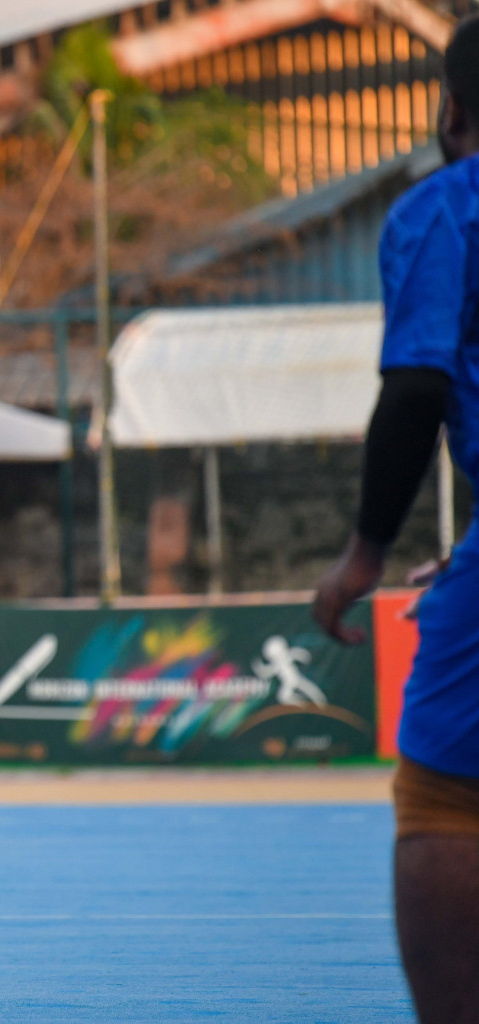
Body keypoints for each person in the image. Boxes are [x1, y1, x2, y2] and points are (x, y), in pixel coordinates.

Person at [312, 19, 479, 1024]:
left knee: (443, 800)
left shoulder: (447, 208)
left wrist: (365, 550)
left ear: (450, 109)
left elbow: (417, 390)